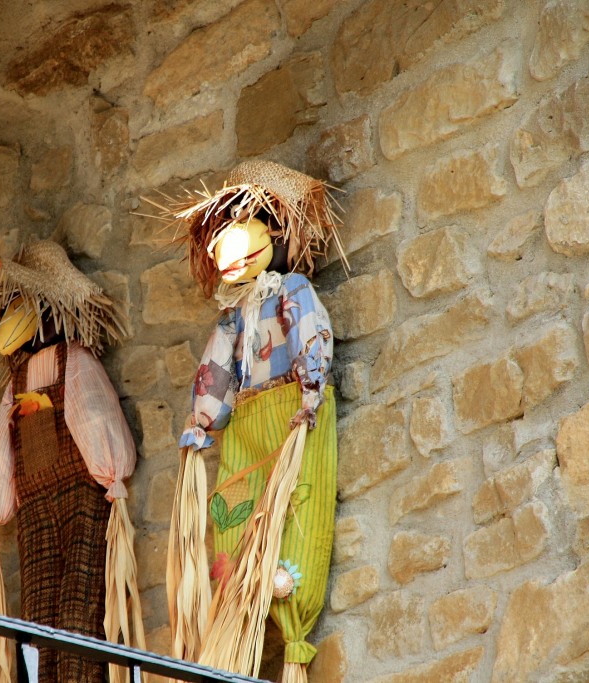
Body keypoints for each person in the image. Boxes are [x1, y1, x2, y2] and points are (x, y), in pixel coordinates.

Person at [163, 161, 346, 683]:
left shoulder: (292, 292)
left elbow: (312, 336)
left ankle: (287, 598)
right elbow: (217, 369)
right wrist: (202, 425)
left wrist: (310, 393)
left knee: (296, 500)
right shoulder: (232, 317)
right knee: (236, 505)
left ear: (278, 231)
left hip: (291, 411)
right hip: (245, 419)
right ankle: (234, 580)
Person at [0, 227, 140, 683]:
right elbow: (0, 445)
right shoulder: (17, 384)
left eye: (18, 304)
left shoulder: (76, 362)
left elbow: (93, 413)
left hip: (80, 495)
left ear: (47, 306)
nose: (10, 318)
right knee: (37, 611)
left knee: (78, 603)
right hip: (32, 508)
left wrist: (109, 472)